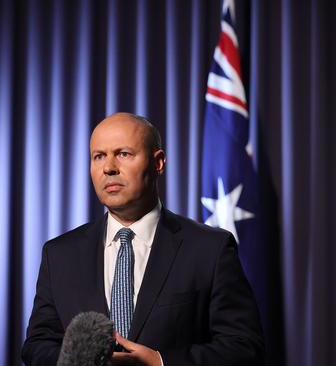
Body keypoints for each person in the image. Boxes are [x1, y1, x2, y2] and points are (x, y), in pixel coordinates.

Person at [21, 113, 264, 365]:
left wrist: (160, 362)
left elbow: (244, 347)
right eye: (99, 156)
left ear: (158, 162)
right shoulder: (60, 254)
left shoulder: (210, 248)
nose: (109, 167)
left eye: (123, 153)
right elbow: (37, 345)